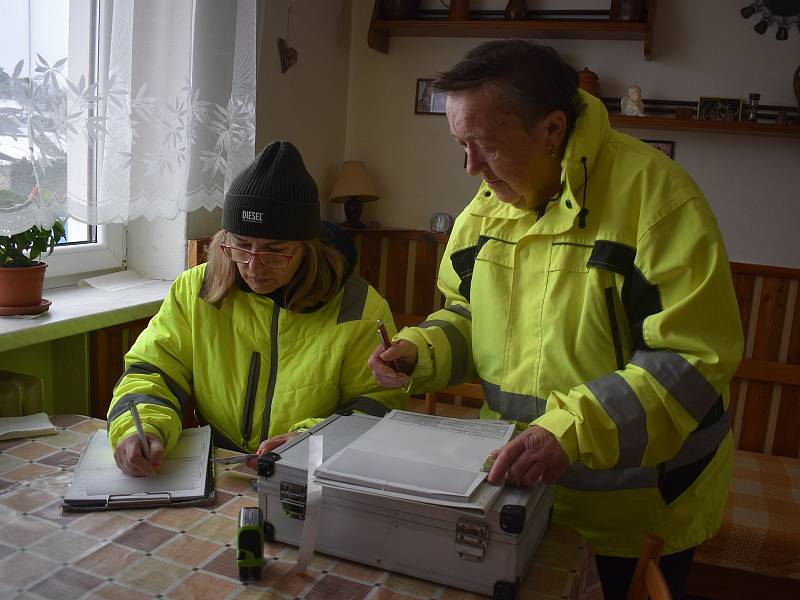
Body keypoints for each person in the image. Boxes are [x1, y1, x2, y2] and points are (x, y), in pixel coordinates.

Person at [369, 40, 743, 600]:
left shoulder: (659, 199)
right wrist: (421, 351)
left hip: (637, 509)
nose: (470, 167)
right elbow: (467, 314)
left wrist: (569, 432)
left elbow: (689, 361)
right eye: (460, 145)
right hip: (520, 491)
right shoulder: (485, 208)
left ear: (551, 129)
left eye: (486, 145)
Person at [109, 140, 406, 476]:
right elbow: (152, 370)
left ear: (307, 246)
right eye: (242, 245)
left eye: (275, 250)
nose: (253, 266)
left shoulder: (359, 306)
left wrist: (308, 440)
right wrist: (143, 427)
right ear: (225, 239)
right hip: (221, 467)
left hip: (313, 471)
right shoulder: (195, 290)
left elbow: (378, 403)